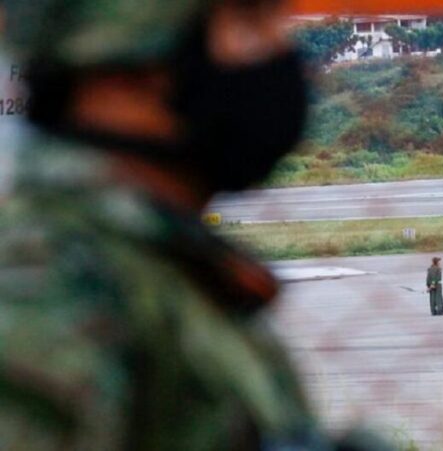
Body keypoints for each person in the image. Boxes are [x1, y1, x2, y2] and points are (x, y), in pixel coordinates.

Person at [0, 1, 391, 449]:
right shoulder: (50, 283)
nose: (280, 51)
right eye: (248, 25)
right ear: (129, 64)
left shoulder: (146, 266)